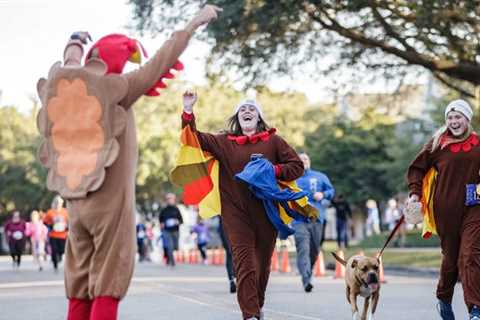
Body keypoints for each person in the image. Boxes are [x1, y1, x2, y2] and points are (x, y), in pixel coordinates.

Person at [35, 5, 221, 320]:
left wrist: (75, 42)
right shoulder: (118, 89)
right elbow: (161, 61)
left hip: (77, 203)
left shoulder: (66, 88)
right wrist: (194, 23)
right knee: (109, 278)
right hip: (110, 206)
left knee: (79, 281)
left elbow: (68, 61)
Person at [181, 91, 304, 320]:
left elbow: (297, 166)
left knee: (262, 264)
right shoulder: (223, 142)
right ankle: (249, 314)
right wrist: (188, 111)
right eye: (243, 109)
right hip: (235, 213)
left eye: (252, 109)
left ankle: (256, 304)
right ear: (237, 118)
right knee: (244, 262)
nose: (247, 111)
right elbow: (193, 138)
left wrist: (273, 170)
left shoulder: (273, 141)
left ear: (259, 117)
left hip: (267, 211)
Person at [406, 99, 480, 320]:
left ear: (467, 119)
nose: (454, 121)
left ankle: (475, 309)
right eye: (450, 117)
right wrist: (415, 194)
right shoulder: (438, 144)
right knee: (451, 260)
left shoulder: (478, 144)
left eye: (458, 117)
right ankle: (443, 299)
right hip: (445, 210)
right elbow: (416, 169)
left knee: (470, 255)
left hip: (474, 208)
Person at [294, 152, 335, 292]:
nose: (304, 161)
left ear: (309, 161)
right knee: (303, 249)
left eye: (306, 158)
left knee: (314, 250)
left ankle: (308, 271)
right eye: (301, 159)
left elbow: (331, 190)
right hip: (299, 220)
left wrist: (323, 194)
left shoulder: (320, 177)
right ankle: (306, 279)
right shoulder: (292, 179)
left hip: (317, 219)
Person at [43, 195, 68, 271]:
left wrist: (67, 227)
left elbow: (69, 221)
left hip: (63, 235)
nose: (58, 204)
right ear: (54, 202)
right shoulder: (50, 212)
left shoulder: (65, 212)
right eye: (57, 202)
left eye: (60, 202)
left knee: (61, 250)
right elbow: (45, 222)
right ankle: (55, 265)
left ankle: (59, 257)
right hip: (53, 234)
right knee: (54, 250)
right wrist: (50, 225)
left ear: (62, 203)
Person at [159, 193, 184, 266]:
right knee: (170, 245)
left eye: (171, 199)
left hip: (175, 230)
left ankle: (169, 257)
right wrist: (162, 224)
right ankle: (172, 261)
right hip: (167, 231)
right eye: (168, 199)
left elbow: (181, 221)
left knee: (175, 247)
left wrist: (177, 221)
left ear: (174, 200)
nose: (169, 200)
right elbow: (160, 219)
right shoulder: (164, 210)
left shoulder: (176, 209)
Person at [218, 216, 236, 293]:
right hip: (227, 226)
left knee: (231, 253)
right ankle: (233, 278)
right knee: (231, 253)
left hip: (228, 226)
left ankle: (233, 278)